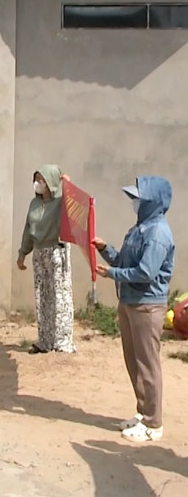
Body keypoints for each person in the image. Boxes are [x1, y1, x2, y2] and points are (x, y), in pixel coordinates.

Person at [94, 176, 175, 443]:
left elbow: (145, 272)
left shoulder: (158, 233)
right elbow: (125, 260)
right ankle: (142, 413)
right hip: (130, 302)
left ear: (153, 201)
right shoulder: (139, 229)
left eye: (139, 198)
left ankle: (153, 423)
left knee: (147, 364)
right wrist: (106, 251)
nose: (135, 202)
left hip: (147, 305)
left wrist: (113, 273)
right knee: (134, 361)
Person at [16, 165, 76, 354]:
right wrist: (22, 253)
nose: (37, 184)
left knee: (60, 296)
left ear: (50, 181)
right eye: (36, 179)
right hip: (39, 253)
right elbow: (28, 229)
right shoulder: (34, 204)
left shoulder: (60, 202)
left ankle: (63, 341)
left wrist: (67, 184)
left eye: (42, 180)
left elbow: (72, 205)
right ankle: (45, 340)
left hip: (57, 251)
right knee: (43, 296)